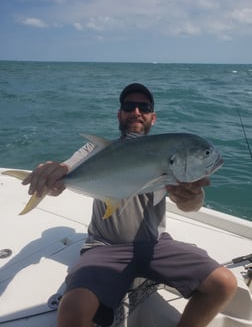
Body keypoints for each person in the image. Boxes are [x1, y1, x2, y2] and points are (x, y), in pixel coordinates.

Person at [22, 83, 237, 327]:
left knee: (224, 284)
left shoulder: (166, 151)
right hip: (104, 247)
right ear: (119, 114)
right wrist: (53, 176)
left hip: (155, 245)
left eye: (144, 107)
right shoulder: (96, 149)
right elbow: (65, 172)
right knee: (72, 313)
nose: (136, 111)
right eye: (128, 106)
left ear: (152, 118)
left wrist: (192, 197)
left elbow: (190, 205)